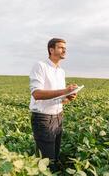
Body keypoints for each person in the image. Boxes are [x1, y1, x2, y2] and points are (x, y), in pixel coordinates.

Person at [29, 38, 77, 172]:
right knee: (47, 162)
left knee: (54, 157)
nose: (64, 50)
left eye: (65, 48)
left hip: (58, 117)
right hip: (43, 118)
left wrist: (68, 97)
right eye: (61, 47)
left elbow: (57, 98)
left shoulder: (61, 71)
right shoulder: (40, 66)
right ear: (51, 50)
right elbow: (37, 94)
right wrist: (65, 90)